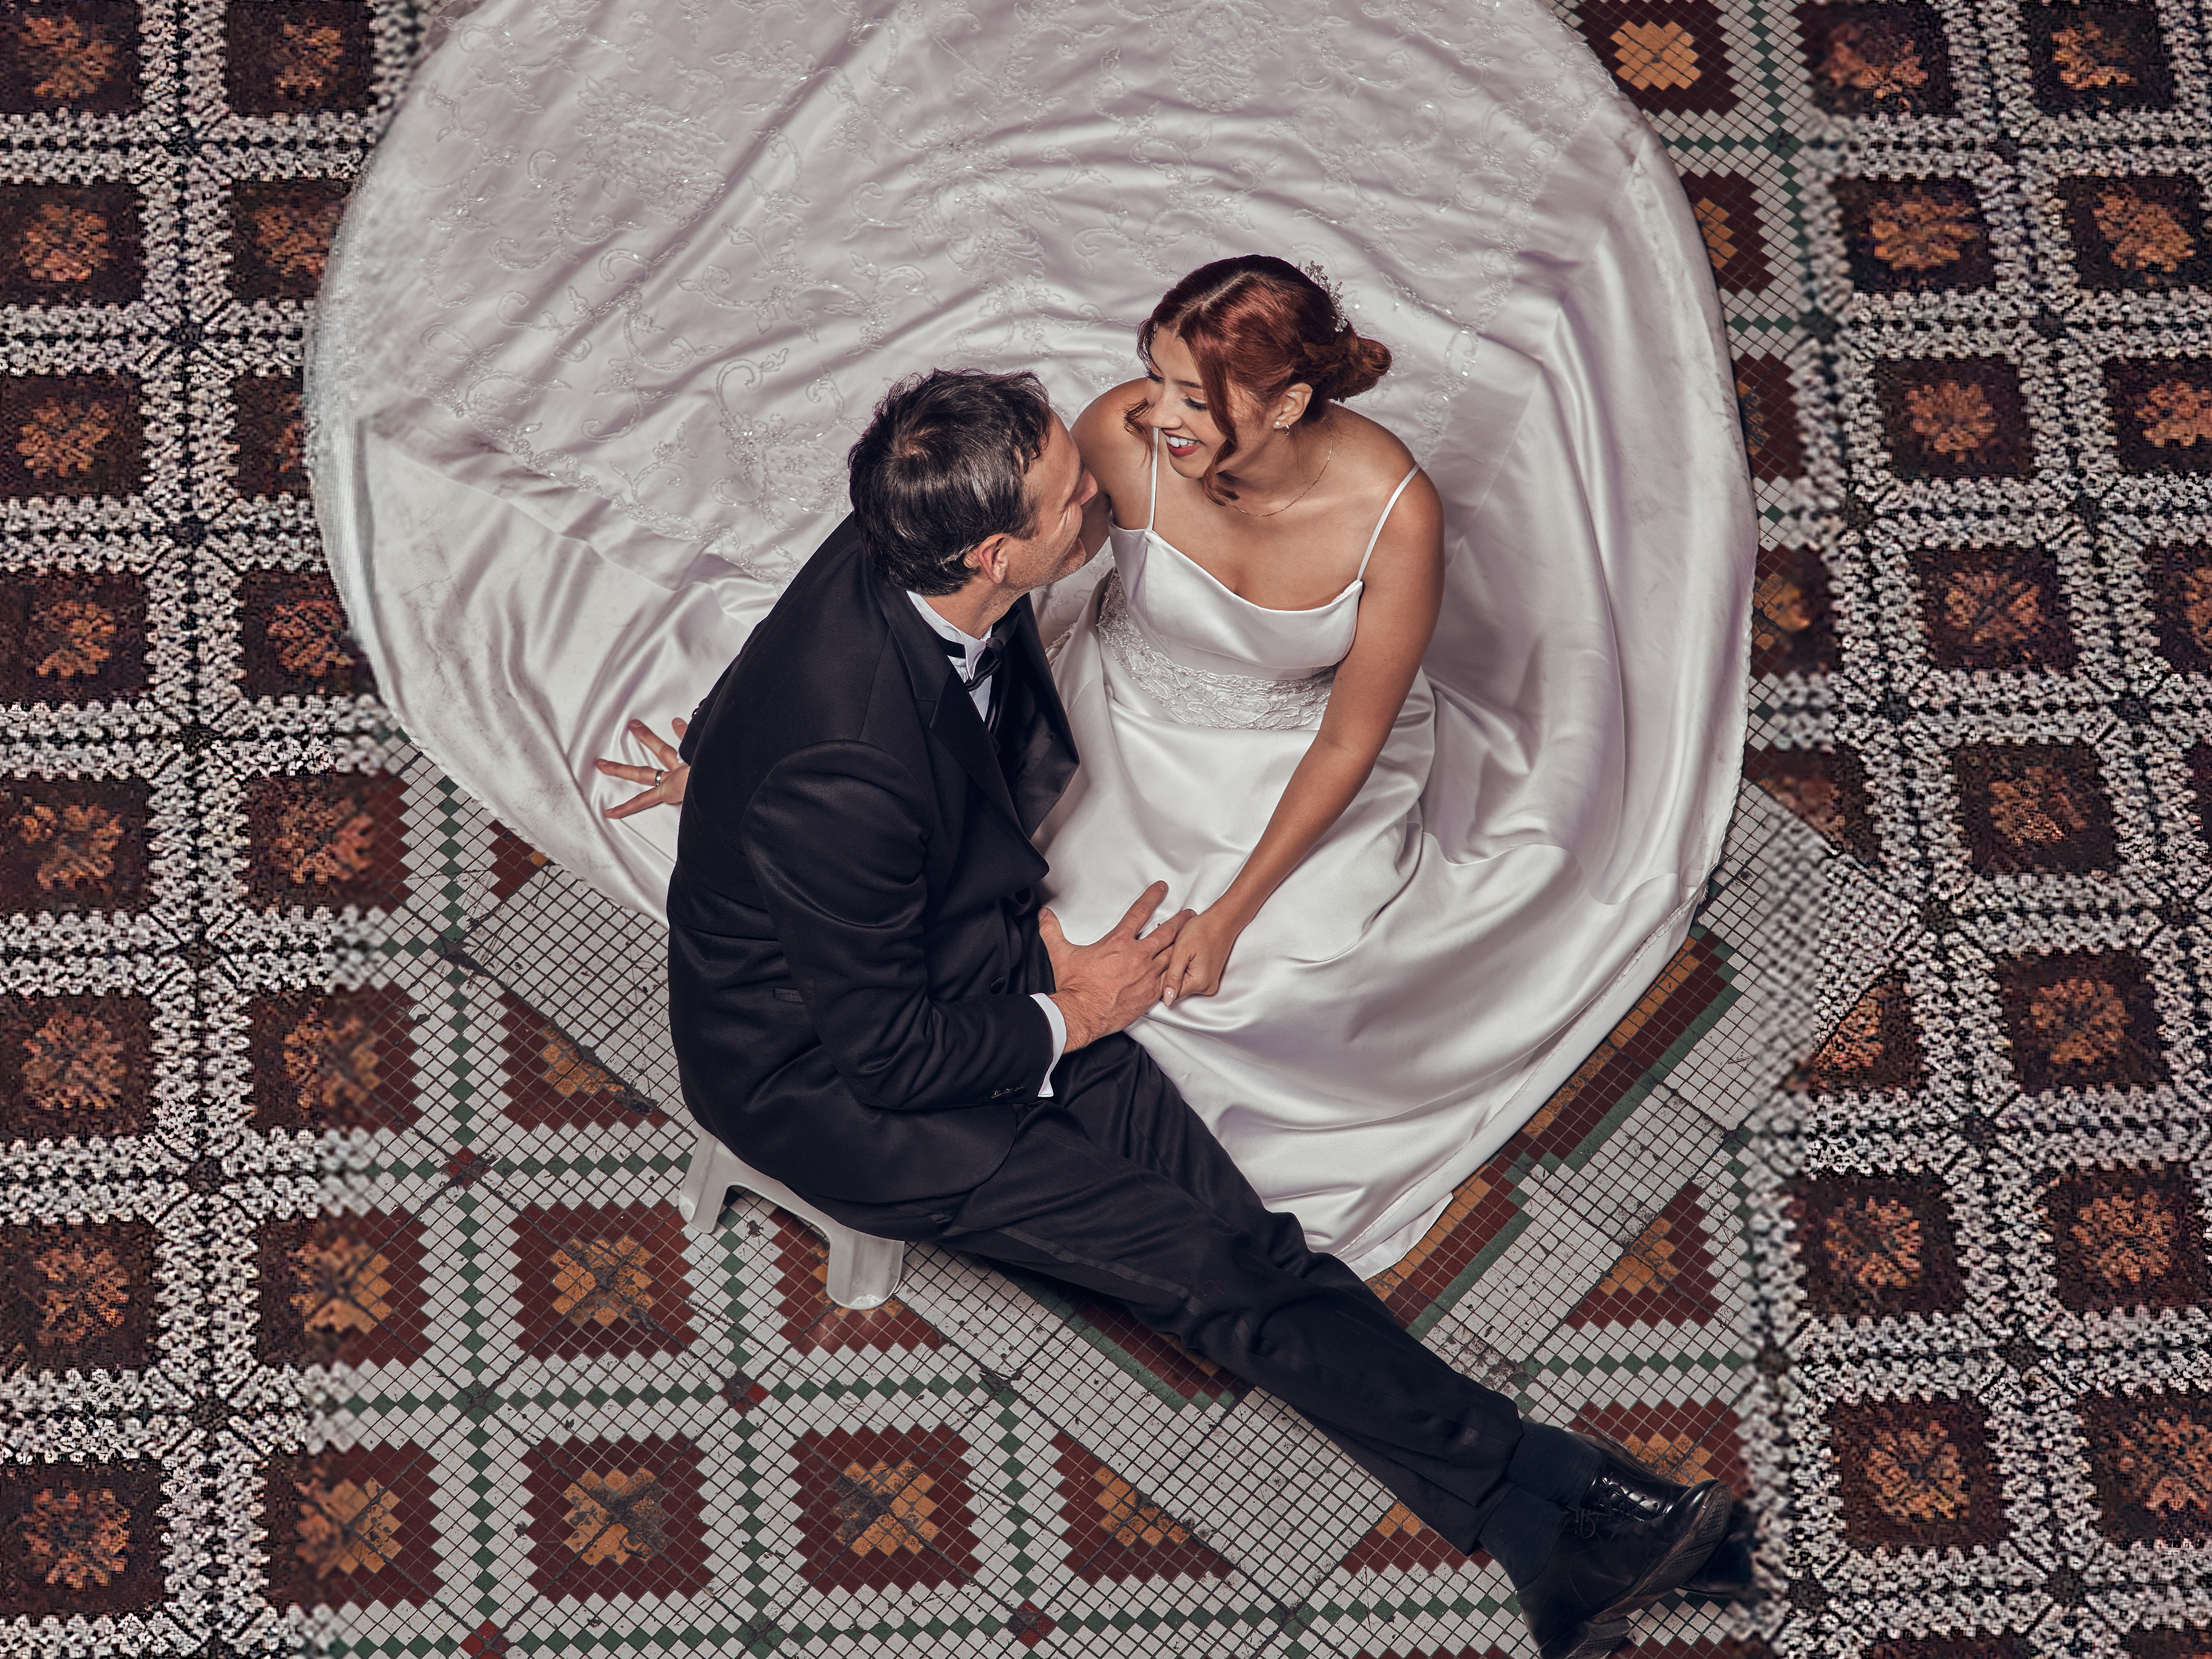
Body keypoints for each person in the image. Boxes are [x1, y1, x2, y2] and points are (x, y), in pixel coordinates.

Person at [653, 365, 1743, 1659]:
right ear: (996, 553)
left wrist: (720, 756)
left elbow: (781, 687)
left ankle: (1532, 1531)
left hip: (976, 971)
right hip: (839, 1088)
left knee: (1248, 1252)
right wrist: (1076, 1009)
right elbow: (887, 1054)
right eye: (1074, 497)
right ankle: (1552, 1488)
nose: (1103, 497)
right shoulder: (843, 771)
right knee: (1208, 1273)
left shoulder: (902, 532)